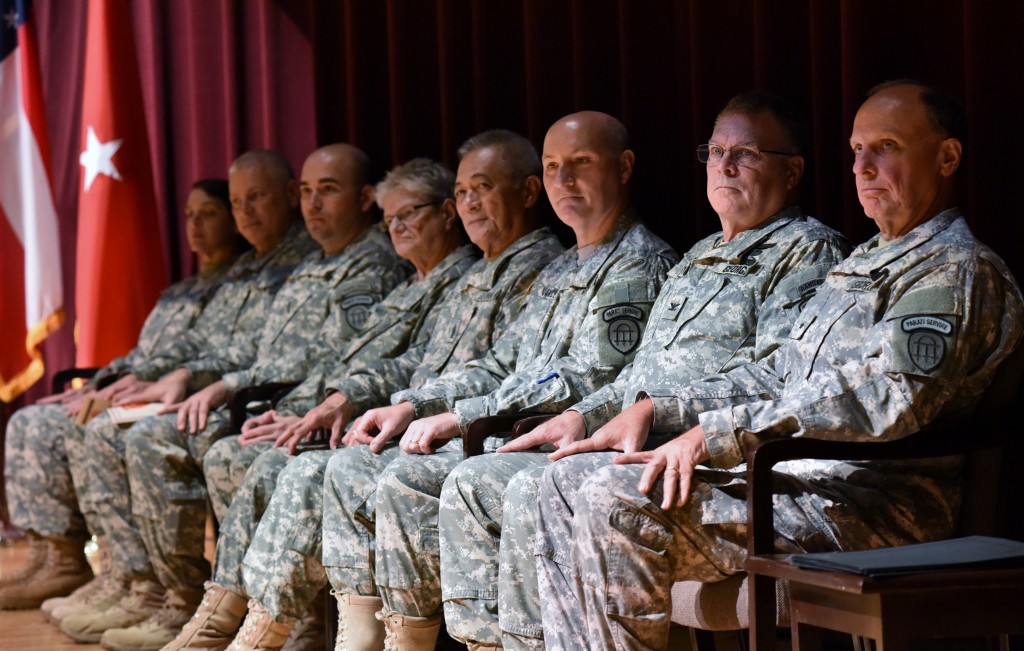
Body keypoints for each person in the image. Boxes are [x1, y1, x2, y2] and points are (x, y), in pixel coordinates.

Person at [535, 81, 1024, 651]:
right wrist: (664, 410)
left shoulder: (956, 269)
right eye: (856, 151)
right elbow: (777, 374)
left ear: (947, 157)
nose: (863, 167)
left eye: (885, 147)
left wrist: (712, 438)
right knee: (566, 479)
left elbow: (886, 400)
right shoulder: (865, 261)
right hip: (795, 481)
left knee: (616, 502)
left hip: (873, 502)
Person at [438, 92, 850, 650]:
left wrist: (661, 412)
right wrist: (584, 414)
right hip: (637, 439)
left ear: (793, 169)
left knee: (533, 488)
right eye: (715, 151)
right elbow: (638, 373)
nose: (724, 166)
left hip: (714, 455)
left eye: (746, 153)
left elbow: (776, 377)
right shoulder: (697, 256)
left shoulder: (807, 252)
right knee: (480, 479)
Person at [163, 131, 563, 651]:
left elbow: (503, 373)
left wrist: (413, 406)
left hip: (471, 432)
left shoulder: (530, 268)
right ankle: (261, 621)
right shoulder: (474, 275)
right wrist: (344, 398)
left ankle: (274, 630)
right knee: (267, 457)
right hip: (420, 422)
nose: (395, 228)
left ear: (527, 191)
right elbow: (406, 362)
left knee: (311, 468)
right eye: (464, 192)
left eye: (481, 189)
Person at [331, 111, 678, 648]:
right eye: (555, 166)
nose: (565, 181)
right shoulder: (561, 268)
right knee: (363, 463)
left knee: (414, 478)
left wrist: (460, 417)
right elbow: (499, 364)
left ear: (624, 167)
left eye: (581, 164)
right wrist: (416, 405)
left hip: (563, 441)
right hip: (508, 433)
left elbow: (585, 377)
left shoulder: (638, 262)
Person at [54, 148, 340, 647]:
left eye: (256, 199)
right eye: (237, 202)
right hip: (240, 394)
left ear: (286, 198)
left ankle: (216, 601)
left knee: (150, 437)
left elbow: (290, 353)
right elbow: (208, 343)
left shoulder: (311, 260)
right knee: (103, 423)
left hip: (269, 402)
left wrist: (202, 380)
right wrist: (136, 375)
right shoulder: (248, 267)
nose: (244, 213)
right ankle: (148, 585)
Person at [0, 178, 247, 612]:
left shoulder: (243, 281)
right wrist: (100, 382)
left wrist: (120, 387)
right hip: (144, 387)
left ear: (233, 217)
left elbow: (196, 353)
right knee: (31, 419)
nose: (195, 224)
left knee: (97, 427)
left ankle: (143, 579)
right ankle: (58, 555)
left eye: (207, 213)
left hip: (181, 395)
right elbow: (145, 352)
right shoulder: (180, 291)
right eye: (189, 215)